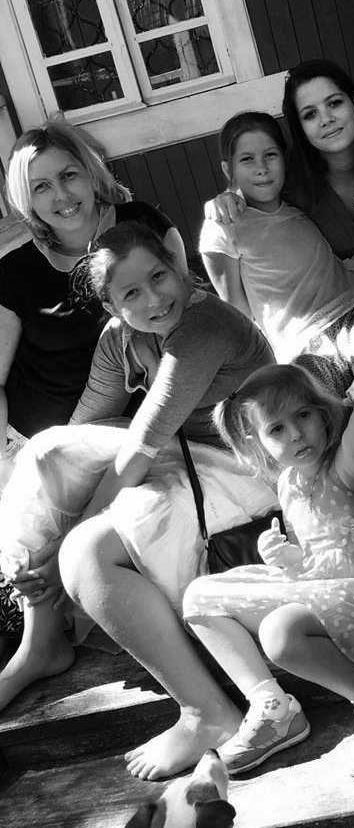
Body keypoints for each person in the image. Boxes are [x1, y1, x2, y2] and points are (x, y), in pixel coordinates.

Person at [0, 222, 278, 783]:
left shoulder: (203, 325)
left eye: (159, 276)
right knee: (49, 451)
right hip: (189, 458)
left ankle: (206, 711)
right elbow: (83, 429)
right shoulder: (120, 337)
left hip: (250, 469)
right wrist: (46, 542)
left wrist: (58, 552)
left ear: (179, 269)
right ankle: (41, 638)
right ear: (111, 305)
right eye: (131, 292)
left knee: (86, 550)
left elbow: (139, 449)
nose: (154, 298)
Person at [0, 118, 188, 652]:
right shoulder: (14, 272)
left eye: (69, 175)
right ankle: (37, 639)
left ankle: (58, 633)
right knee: (24, 555)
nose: (61, 196)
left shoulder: (141, 227)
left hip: (128, 426)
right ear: (26, 199)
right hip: (38, 437)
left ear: (91, 172)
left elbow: (185, 313)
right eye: (41, 186)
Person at [183, 363, 354, 780]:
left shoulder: (343, 465)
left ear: (323, 414)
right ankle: (273, 709)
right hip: (325, 593)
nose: (295, 434)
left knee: (279, 633)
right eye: (276, 429)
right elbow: (312, 559)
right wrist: (286, 558)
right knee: (198, 597)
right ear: (256, 442)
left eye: (303, 415)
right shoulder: (288, 484)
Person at [200, 111, 354, 376]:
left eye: (270, 155)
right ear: (229, 170)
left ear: (285, 159)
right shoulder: (224, 225)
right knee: (320, 396)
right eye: (247, 159)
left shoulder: (299, 200)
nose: (261, 168)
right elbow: (237, 310)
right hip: (301, 340)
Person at [206, 59, 354, 269]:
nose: (326, 119)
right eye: (310, 114)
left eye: (334, 103)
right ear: (300, 128)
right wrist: (229, 196)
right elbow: (254, 189)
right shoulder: (290, 180)